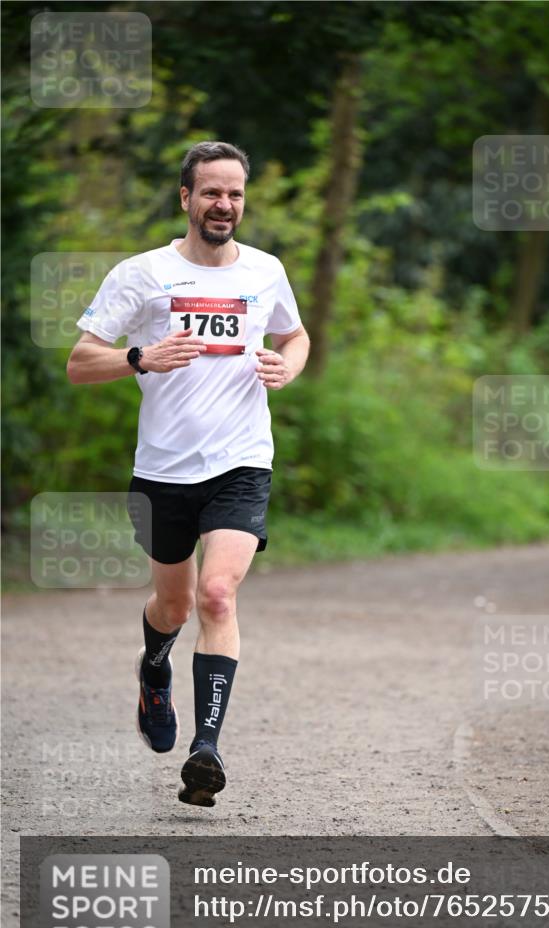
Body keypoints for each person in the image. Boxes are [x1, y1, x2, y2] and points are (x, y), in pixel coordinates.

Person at [67, 141, 310, 807]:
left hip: (240, 461)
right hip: (163, 470)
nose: (223, 205)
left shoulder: (264, 271)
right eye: (210, 192)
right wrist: (139, 357)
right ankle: (154, 669)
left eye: (233, 193)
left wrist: (289, 366)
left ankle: (206, 747)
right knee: (173, 606)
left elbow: (294, 334)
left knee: (217, 597)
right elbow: (80, 362)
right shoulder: (141, 274)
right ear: (185, 198)